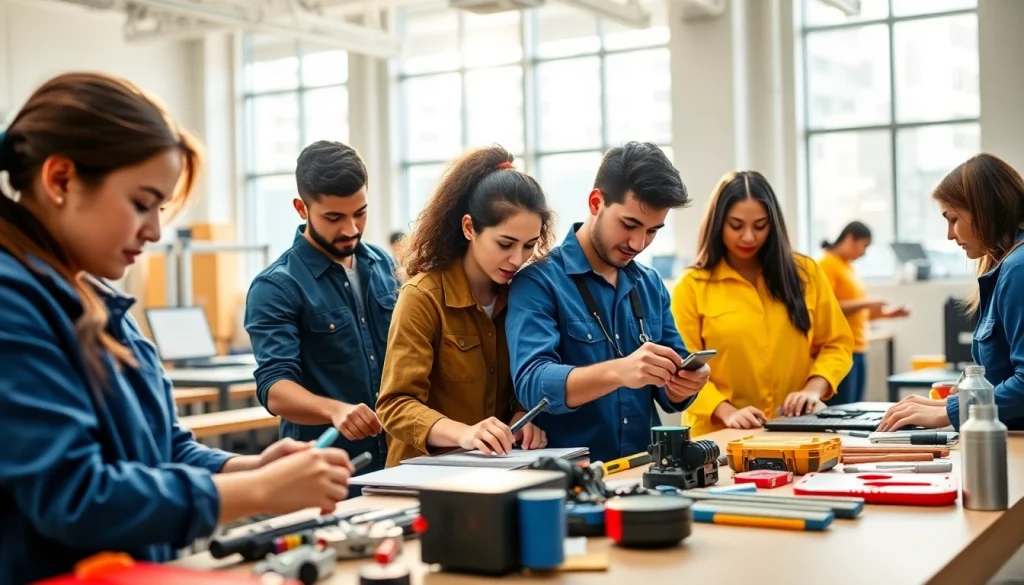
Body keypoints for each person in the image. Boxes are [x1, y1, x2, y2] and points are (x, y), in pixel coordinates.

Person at [0, 73, 354, 585]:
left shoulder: (97, 299)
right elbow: (75, 495)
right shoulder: (13, 303)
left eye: (160, 208)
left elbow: (163, 449)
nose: (154, 231)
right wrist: (258, 493)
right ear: (60, 180)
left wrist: (250, 469)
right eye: (141, 203)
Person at [506, 142, 710, 464]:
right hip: (571, 477)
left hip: (644, 471)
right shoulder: (538, 282)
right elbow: (533, 384)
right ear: (596, 202)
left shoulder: (650, 284)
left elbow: (671, 391)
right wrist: (619, 372)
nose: (638, 243)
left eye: (652, 231)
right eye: (629, 224)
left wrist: (685, 385)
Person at [376, 146, 550, 466]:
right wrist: (465, 434)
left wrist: (522, 416)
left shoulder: (523, 295)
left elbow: (523, 381)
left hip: (496, 473)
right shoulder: (422, 297)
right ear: (469, 228)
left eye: (529, 245)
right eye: (505, 244)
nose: (518, 259)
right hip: (422, 476)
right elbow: (395, 405)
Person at [245, 141, 399, 474]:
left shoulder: (384, 265)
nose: (351, 229)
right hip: (326, 468)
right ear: (302, 209)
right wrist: (335, 410)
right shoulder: (275, 286)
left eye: (360, 213)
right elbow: (275, 388)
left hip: (398, 459)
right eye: (334, 217)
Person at [671, 171, 854, 435]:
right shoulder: (691, 285)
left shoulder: (806, 274)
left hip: (795, 430)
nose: (748, 237)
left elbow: (837, 344)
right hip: (717, 437)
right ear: (718, 223)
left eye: (760, 226)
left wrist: (813, 389)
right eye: (736, 226)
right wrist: (726, 411)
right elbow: (682, 367)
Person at [879, 153, 1024, 432]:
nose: (950, 234)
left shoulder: (1018, 269)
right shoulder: (1008, 267)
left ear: (984, 209)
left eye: (953, 218)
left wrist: (949, 411)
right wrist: (945, 404)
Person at [818, 221, 909, 405]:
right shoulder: (827, 265)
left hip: (858, 347)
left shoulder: (848, 267)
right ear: (850, 238)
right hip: (840, 349)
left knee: (855, 406)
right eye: (864, 246)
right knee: (841, 409)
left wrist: (886, 314)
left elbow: (856, 313)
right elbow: (827, 308)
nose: (864, 253)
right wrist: (867, 303)